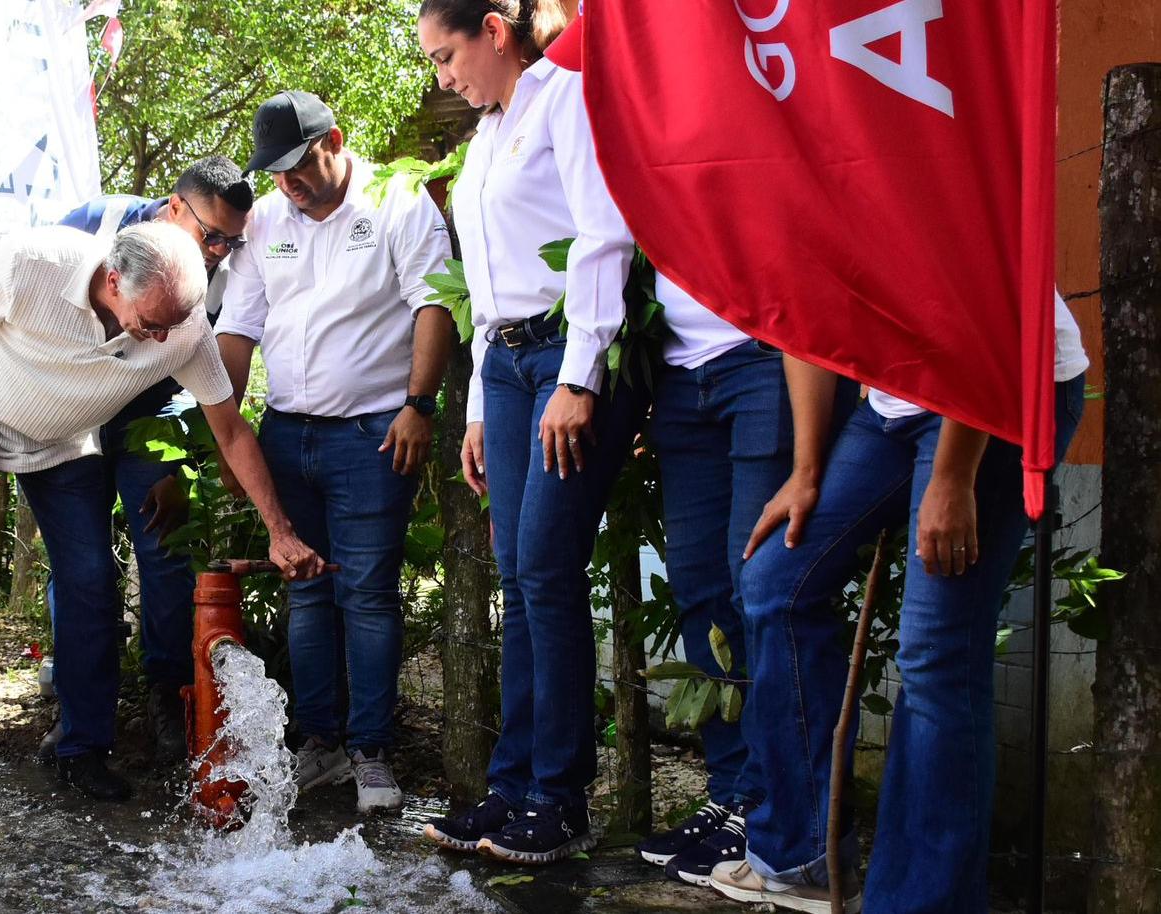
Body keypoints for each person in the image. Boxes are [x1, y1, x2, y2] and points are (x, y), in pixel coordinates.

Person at [0, 220, 325, 816]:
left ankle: (81, 747)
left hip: (59, 446)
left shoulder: (181, 329)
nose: (164, 340)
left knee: (90, 585)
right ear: (114, 281)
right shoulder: (33, 261)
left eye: (173, 325)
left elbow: (232, 429)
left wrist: (281, 531)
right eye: (151, 323)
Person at [532, 12, 861, 887]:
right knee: (705, 592)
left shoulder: (750, 94)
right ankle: (731, 794)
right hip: (682, 372)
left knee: (762, 585)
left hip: (764, 360)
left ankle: (785, 813)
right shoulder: (636, 118)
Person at [711, 295, 1088, 912]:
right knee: (777, 581)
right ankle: (800, 856)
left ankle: (922, 903)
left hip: (1000, 385)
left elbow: (984, 300)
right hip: (895, 401)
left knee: (936, 652)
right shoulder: (797, 197)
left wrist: (953, 476)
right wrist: (806, 471)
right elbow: (804, 311)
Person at [412, 0, 643, 864]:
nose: (442, 76)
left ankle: (560, 797)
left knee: (545, 569)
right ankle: (512, 788)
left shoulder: (563, 101)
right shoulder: (482, 140)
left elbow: (604, 234)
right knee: (518, 573)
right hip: (504, 371)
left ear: (494, 33)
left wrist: (580, 375)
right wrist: (475, 408)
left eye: (446, 55)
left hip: (563, 358)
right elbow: (487, 280)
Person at [217, 91, 454, 813]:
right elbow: (237, 327)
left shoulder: (398, 199)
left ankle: (372, 752)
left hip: (373, 432)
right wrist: (226, 432)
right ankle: (318, 744)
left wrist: (419, 406)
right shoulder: (263, 222)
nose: (286, 179)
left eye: (297, 163)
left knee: (369, 594)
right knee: (308, 590)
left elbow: (435, 302)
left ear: (334, 141)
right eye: (275, 168)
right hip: (286, 433)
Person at [52, 155, 254, 764]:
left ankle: (168, 694)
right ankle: (79, 707)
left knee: (165, 552)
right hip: (76, 410)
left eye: (231, 240)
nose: (219, 250)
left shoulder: (228, 271)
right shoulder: (92, 222)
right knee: (79, 561)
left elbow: (211, 381)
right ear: (173, 207)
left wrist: (183, 467)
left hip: (156, 412)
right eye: (211, 234)